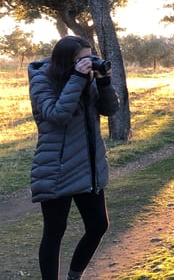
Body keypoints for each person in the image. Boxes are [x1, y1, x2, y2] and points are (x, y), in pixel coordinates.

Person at [28, 35, 120, 280]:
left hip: (88, 166)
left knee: (98, 225)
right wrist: (78, 79)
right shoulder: (42, 80)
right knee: (55, 231)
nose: (88, 63)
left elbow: (110, 110)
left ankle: (74, 276)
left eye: (91, 57)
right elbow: (56, 115)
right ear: (66, 61)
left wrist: (103, 83)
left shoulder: (86, 78)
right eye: (82, 59)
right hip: (55, 167)